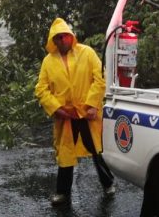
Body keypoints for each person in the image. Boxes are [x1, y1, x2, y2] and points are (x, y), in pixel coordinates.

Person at [35, 17, 115, 206]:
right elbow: (41, 89)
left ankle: (108, 183)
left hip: (88, 114)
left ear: (71, 36)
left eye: (64, 36)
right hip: (65, 116)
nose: (61, 40)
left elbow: (100, 78)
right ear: (53, 41)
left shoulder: (86, 53)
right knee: (65, 154)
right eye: (57, 38)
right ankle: (62, 192)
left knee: (96, 150)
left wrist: (93, 105)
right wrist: (56, 109)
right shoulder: (48, 62)